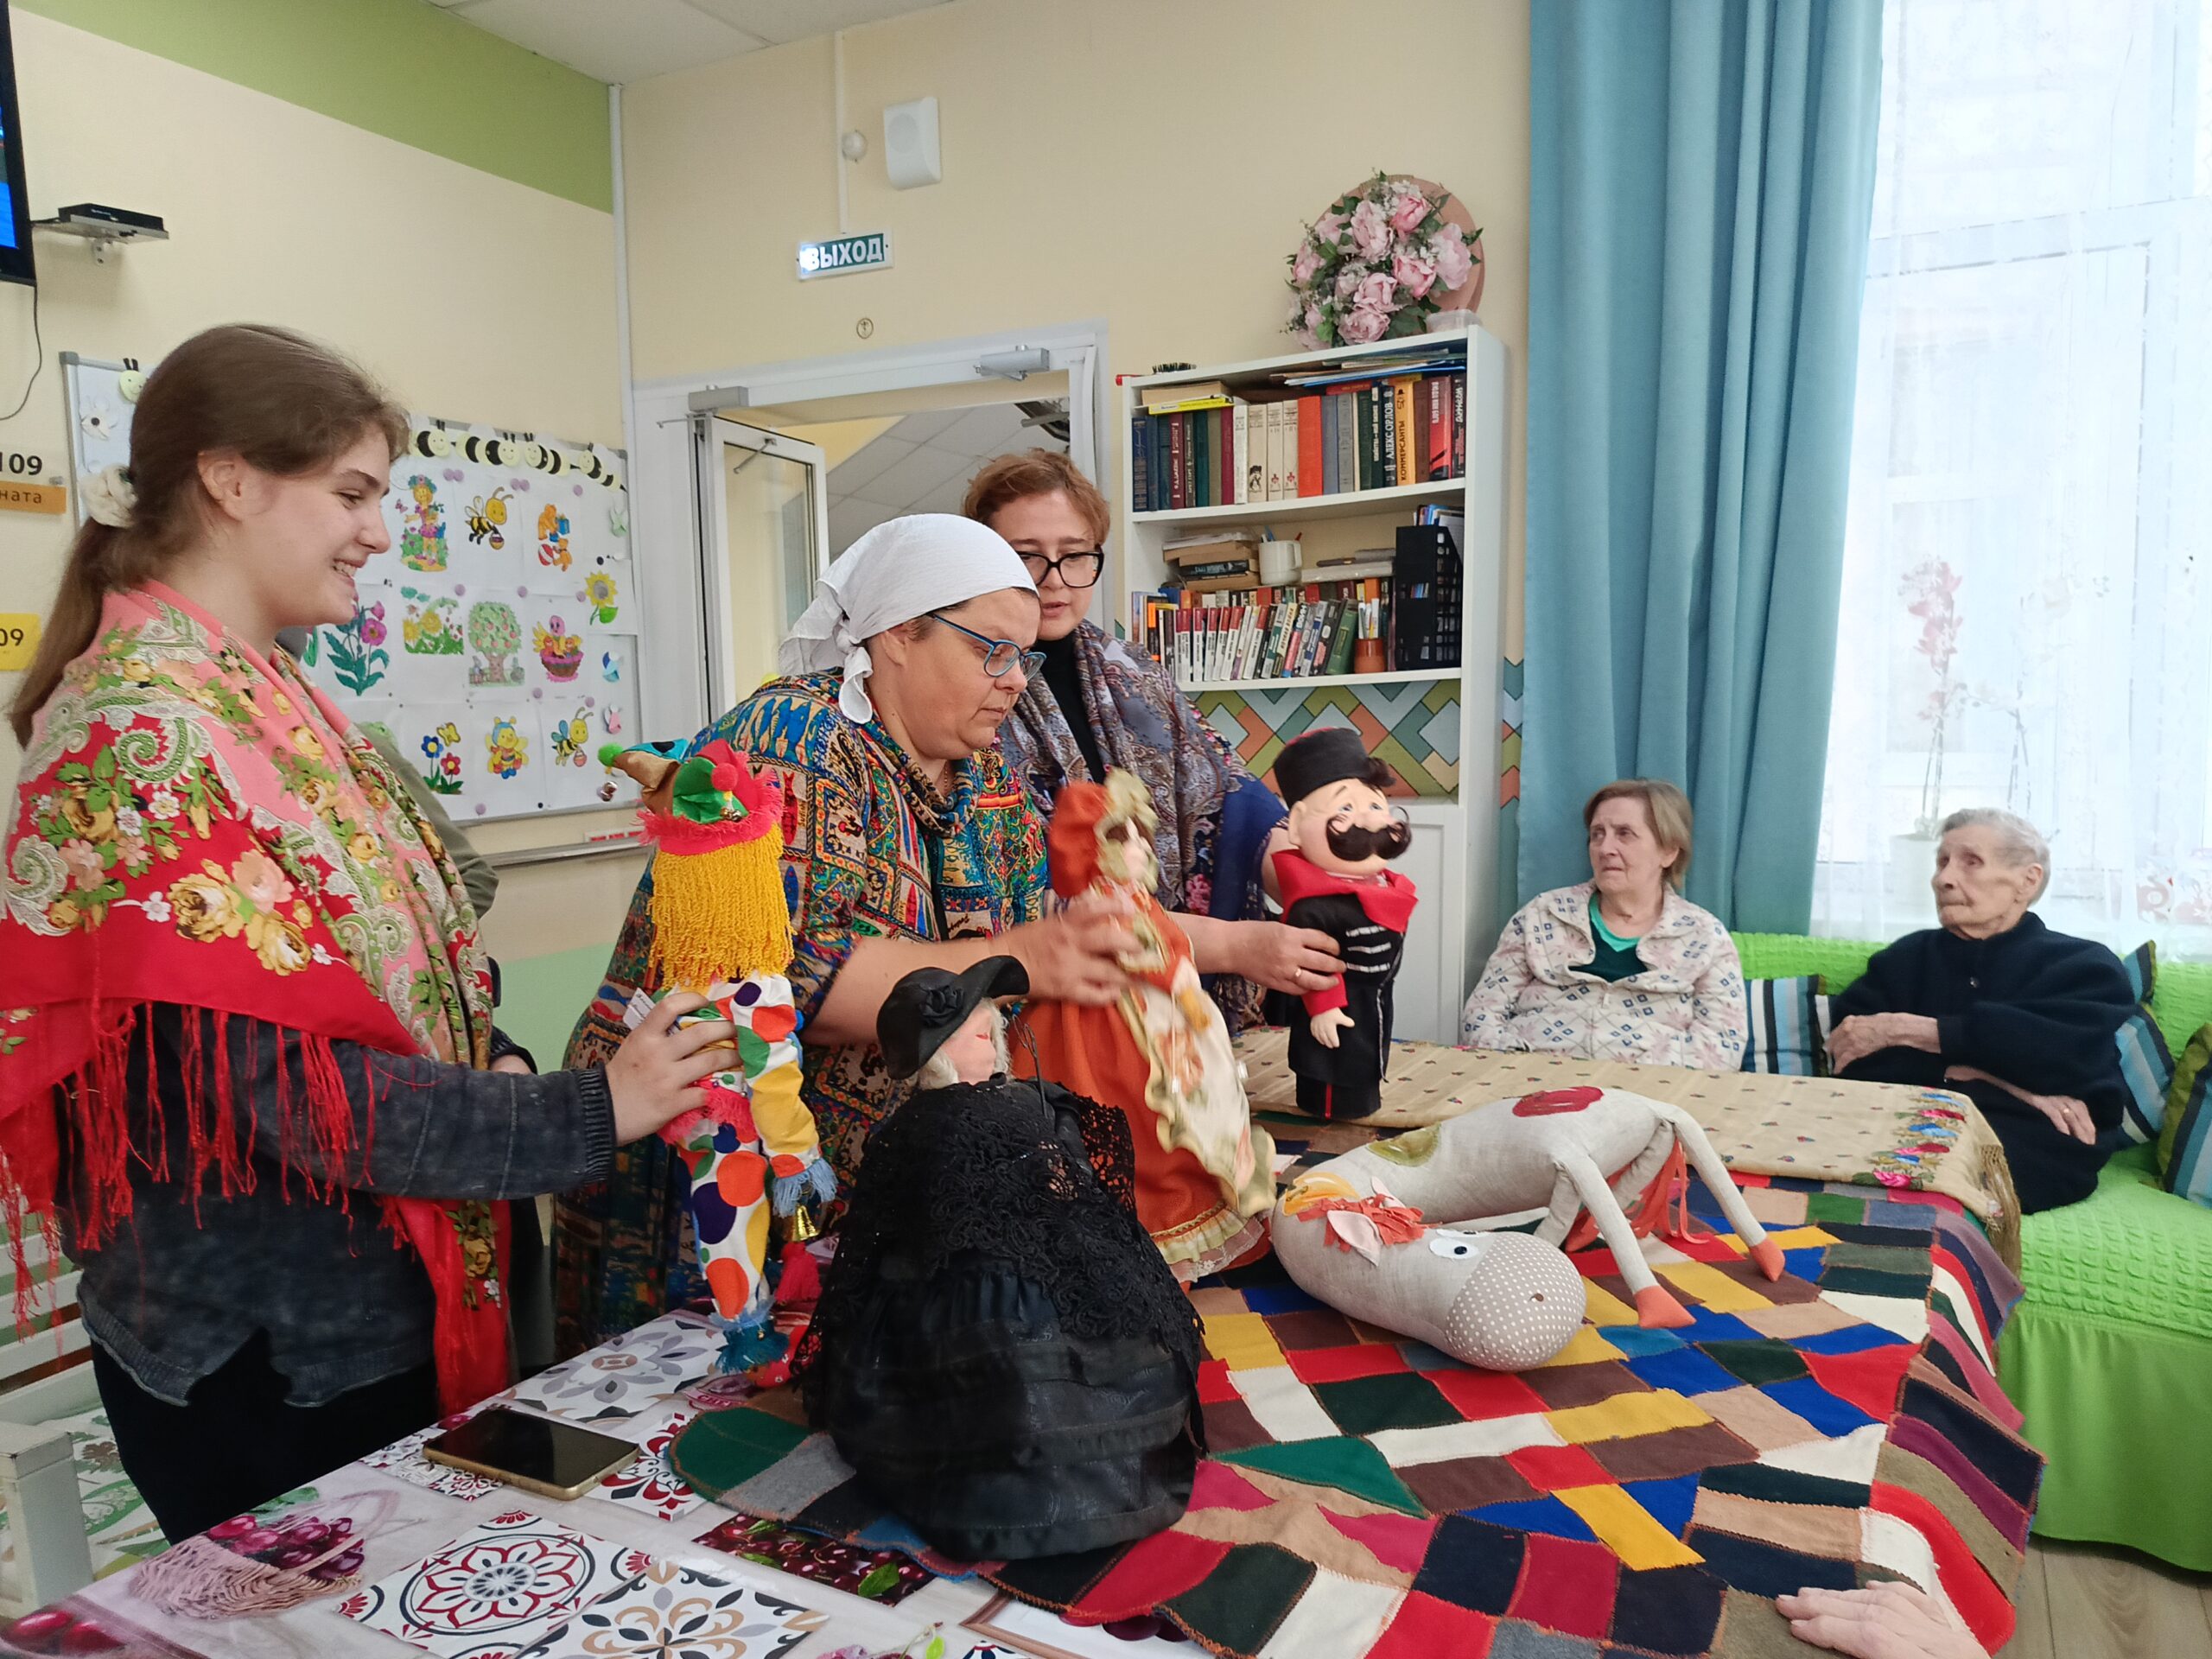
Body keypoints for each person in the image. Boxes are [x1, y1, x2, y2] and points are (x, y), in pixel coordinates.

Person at [0, 325, 736, 1542]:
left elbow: (416, 941)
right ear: (230, 481)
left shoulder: (275, 693)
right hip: (275, 1361)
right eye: (351, 494)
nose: (378, 533)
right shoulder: (144, 733)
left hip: (378, 1310)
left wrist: (494, 1048)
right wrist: (588, 1110)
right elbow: (292, 1095)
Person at [556, 513, 1136, 1351]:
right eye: (991, 651)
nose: (1015, 680)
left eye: (1025, 656)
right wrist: (1013, 959)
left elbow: (1031, 934)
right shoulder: (792, 741)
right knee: (711, 1396)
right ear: (898, 633)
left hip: (864, 1193)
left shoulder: (988, 773)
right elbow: (786, 983)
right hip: (711, 1155)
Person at [965, 451, 1339, 1027]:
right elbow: (1031, 897)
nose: (1055, 579)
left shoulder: (1136, 672)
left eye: (1075, 554)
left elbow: (1232, 799)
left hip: (1173, 1006)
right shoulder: (973, 694)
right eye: (1027, 556)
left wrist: (1322, 885)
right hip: (1049, 1013)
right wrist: (1236, 945)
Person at [1825, 808, 2135, 1213]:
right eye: (1942, 862)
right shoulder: (1904, 959)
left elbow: (2062, 1059)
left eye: (1970, 862)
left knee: (1925, 1180)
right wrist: (1994, 1079)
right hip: (1894, 1124)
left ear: (2028, 880)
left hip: (2029, 1144)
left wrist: (1909, 1031)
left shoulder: (2084, 967)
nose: (1943, 878)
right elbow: (1851, 1056)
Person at [1461, 779, 1747, 1068]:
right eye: (1597, 834)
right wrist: (1520, 1068)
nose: (1605, 848)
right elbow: (1481, 1013)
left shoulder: (1704, 936)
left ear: (1668, 851)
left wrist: (1635, 1078)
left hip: (1650, 1088)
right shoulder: (1543, 915)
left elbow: (1723, 1044)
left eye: (1625, 834)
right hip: (1533, 1080)